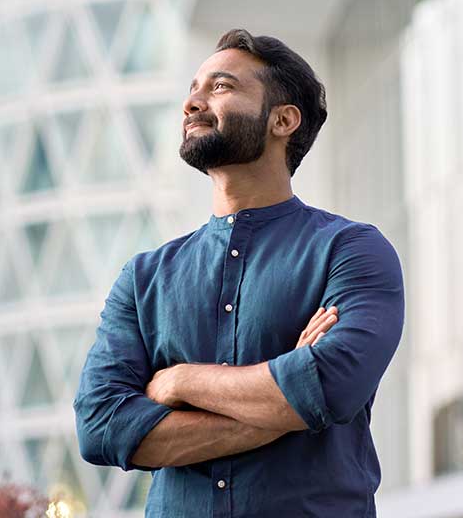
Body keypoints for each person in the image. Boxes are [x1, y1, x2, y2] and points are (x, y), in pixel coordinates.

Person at [73, 29, 404, 517]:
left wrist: (181, 382)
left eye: (221, 87)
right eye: (193, 89)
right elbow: (101, 427)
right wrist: (283, 397)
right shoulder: (144, 278)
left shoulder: (350, 250)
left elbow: (332, 385)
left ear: (283, 119)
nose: (193, 103)